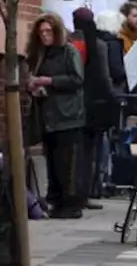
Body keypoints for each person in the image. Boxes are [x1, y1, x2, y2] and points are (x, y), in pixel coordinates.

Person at [27, 13, 86, 219]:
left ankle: (71, 203)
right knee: (52, 161)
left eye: (48, 31)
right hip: (49, 115)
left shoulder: (69, 51)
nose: (44, 35)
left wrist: (48, 81)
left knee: (67, 163)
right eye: (41, 31)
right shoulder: (41, 54)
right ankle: (56, 201)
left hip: (68, 115)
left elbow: (77, 79)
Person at [73, 7, 118, 210]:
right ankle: (85, 192)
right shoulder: (99, 45)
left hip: (74, 103)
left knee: (76, 152)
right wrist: (112, 98)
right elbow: (105, 77)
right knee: (89, 152)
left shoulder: (69, 42)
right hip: (93, 105)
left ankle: (74, 191)